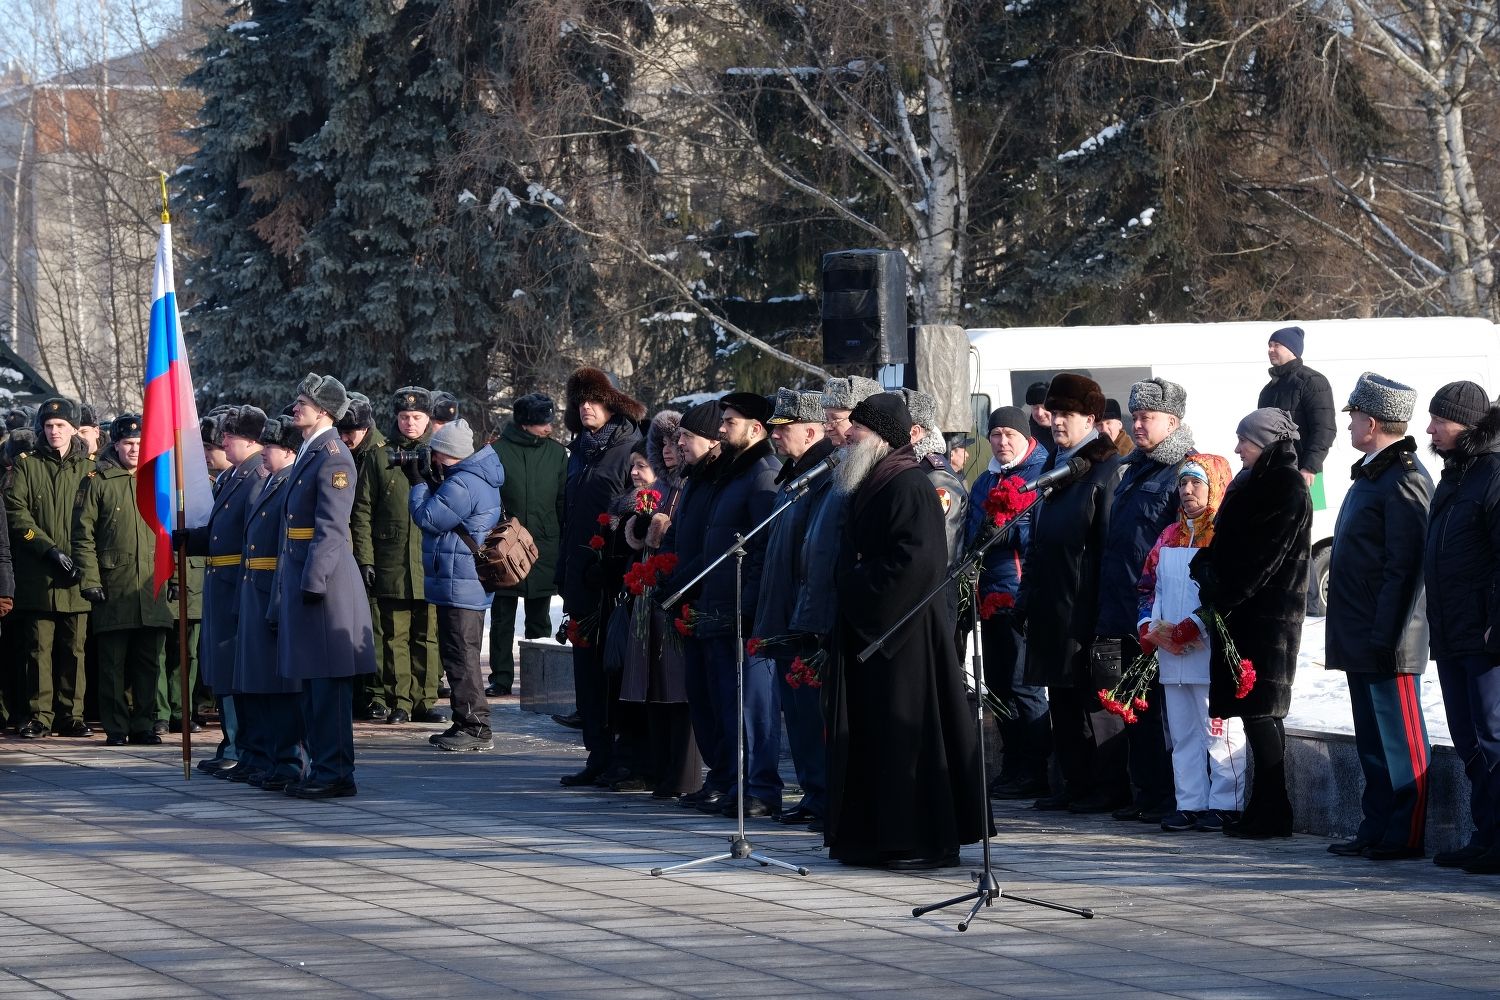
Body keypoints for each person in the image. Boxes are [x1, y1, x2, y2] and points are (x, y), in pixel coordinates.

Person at [827, 392, 989, 869]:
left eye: (858, 428)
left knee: (908, 737)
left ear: (881, 437)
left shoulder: (910, 484)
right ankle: (873, 836)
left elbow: (917, 562)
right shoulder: (872, 479)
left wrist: (856, 580)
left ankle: (919, 838)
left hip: (903, 634)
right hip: (873, 631)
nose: (850, 434)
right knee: (875, 737)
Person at [1190, 407, 1312, 839]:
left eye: (1245, 440)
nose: (1238, 448)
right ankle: (1266, 808)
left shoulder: (1284, 485)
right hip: (1246, 616)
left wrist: (1218, 589)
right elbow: (1231, 546)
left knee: (1262, 713)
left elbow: (1262, 558)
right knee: (1257, 715)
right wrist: (1207, 563)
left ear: (1265, 443)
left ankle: (1274, 811)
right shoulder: (1253, 483)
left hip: (1266, 619)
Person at [1324, 373, 1432, 861]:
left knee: (1398, 739)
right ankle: (1376, 824)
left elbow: (1406, 569)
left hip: (1388, 636)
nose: (1348, 425)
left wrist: (1389, 635)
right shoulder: (1373, 472)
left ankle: (1404, 832)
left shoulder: (1404, 477)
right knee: (1371, 737)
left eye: (1353, 418)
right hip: (1361, 632)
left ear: (1371, 421)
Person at [1016, 374, 1125, 812]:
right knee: (1062, 697)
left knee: (1094, 701)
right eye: (1054, 413)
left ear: (1092, 420)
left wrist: (1103, 614)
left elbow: (1107, 547)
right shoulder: (1058, 467)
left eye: (1067, 414)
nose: (1056, 421)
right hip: (1053, 603)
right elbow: (1041, 540)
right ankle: (1075, 781)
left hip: (1085, 605)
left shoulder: (1105, 469)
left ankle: (1107, 785)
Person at [271, 373, 377, 798]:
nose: (296, 408)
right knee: (314, 681)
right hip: (305, 572)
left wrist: (313, 581)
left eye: (303, 403)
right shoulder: (312, 451)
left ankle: (334, 773)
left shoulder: (333, 455)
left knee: (328, 684)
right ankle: (324, 768)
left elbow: (331, 527)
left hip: (325, 582)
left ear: (324, 411)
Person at [1096, 378, 1196, 823]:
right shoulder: (1134, 467)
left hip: (1156, 609)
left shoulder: (1185, 472)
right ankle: (1142, 791)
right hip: (1118, 604)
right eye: (1135, 416)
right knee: (1127, 701)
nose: (1138, 424)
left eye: (1147, 417)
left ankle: (1166, 794)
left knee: (1157, 705)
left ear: (1172, 422)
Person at [1135, 454, 1246, 832]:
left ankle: (1226, 802)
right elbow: (1148, 587)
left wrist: (1197, 625)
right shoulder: (1168, 535)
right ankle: (1190, 802)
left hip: (1210, 652)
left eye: (1196, 482)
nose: (1186, 490)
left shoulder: (1226, 534)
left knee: (1219, 730)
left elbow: (1230, 594)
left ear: (1215, 484)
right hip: (1171, 655)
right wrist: (1147, 624)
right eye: (1183, 483)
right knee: (1182, 733)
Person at [1422, 381, 1500, 872]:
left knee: (1492, 734)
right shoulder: (1456, 474)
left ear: (1467, 425)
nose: (1430, 429)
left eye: (1440, 420)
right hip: (1451, 630)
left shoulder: (1492, 473)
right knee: (1466, 736)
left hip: (1485, 634)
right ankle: (1484, 833)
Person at [556, 367, 645, 786]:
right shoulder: (579, 451)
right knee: (587, 671)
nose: (586, 407)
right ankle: (598, 752)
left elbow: (637, 512)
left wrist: (612, 560)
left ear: (611, 402)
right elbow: (569, 515)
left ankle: (626, 756)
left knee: (616, 668)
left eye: (593, 399)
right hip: (581, 579)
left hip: (614, 580)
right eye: (580, 401)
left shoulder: (629, 447)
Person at [695, 391, 782, 818]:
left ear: (755, 429)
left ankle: (761, 789)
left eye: (730, 422)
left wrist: (749, 603)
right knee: (729, 703)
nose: (722, 427)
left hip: (744, 608)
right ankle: (737, 783)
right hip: (719, 603)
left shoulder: (763, 473)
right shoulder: (733, 471)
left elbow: (762, 548)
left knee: (754, 704)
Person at [752, 388, 835, 831]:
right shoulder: (795, 473)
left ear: (812, 430)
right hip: (785, 610)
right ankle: (812, 790)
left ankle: (825, 794)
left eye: (784, 429)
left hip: (806, 614)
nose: (776, 436)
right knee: (797, 715)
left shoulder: (824, 473)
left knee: (811, 711)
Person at [70, 414, 171, 747]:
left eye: (140, 443)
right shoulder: (97, 480)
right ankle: (116, 727)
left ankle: (144, 724)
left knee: (148, 662)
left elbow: (171, 531)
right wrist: (90, 579)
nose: (134, 448)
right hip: (113, 585)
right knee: (112, 665)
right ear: (115, 443)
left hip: (151, 585)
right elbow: (82, 536)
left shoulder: (159, 478)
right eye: (128, 442)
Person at [966, 405, 1049, 799]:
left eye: (1008, 435)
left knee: (1024, 686)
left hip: (1020, 595)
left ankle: (1035, 769)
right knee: (998, 686)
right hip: (988, 597)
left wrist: (1003, 531)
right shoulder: (984, 480)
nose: (1001, 442)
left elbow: (1037, 535)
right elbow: (971, 533)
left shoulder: (1039, 473)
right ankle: (1013, 766)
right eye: (995, 435)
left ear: (1025, 437)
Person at [409, 417, 505, 752]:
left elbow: (429, 519)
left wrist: (419, 484)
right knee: (459, 653)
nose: (432, 459)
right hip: (460, 580)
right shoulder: (469, 477)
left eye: (436, 454)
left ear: (448, 454)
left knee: (462, 655)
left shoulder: (464, 483)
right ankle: (464, 720)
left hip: (461, 582)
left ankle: (477, 727)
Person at [180, 405, 266, 776]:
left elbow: (250, 538)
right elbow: (221, 533)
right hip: (221, 579)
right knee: (221, 666)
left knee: (234, 666)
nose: (222, 444)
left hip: (237, 582)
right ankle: (232, 740)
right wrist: (187, 540)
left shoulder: (255, 477)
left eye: (227, 438)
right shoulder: (233, 477)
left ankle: (241, 743)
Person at [352, 387, 443, 725]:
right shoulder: (380, 456)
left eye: (416, 417)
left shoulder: (439, 454)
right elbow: (361, 511)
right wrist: (366, 559)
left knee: (428, 635)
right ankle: (400, 701)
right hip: (391, 561)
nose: (409, 423)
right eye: (404, 417)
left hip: (431, 559)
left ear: (428, 419)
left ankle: (425, 700)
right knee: (394, 635)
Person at [6, 396, 95, 739]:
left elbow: (95, 518)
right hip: (40, 572)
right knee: (38, 649)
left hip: (77, 573)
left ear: (74, 428)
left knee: (75, 648)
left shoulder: (89, 467)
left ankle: (71, 715)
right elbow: (17, 512)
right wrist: (49, 550)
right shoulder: (27, 465)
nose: (54, 431)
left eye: (60, 425)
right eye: (48, 426)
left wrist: (79, 559)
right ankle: (38, 716)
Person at [231, 416, 305, 791]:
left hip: (272, 589)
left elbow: (285, 548)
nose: (263, 453)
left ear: (288, 451)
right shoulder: (270, 481)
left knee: (279, 684)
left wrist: (278, 598)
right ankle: (267, 756)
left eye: (270, 448)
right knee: (258, 681)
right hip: (254, 588)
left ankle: (287, 759)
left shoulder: (291, 484)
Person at [664, 400, 728, 808]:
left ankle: (728, 778)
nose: (681, 444)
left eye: (687, 437)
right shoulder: (695, 478)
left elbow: (716, 542)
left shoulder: (720, 478)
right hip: (691, 599)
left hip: (713, 600)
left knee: (720, 699)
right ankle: (717, 776)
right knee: (701, 696)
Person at [489, 392, 566, 697]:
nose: (548, 427)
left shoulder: (557, 454)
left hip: (544, 545)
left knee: (540, 618)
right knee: (503, 616)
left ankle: (540, 680)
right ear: (524, 424)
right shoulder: (497, 451)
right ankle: (501, 677)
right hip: (504, 547)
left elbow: (562, 501)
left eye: (549, 420)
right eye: (541, 422)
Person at [338, 392, 389, 721]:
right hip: (353, 553)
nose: (345, 438)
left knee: (375, 629)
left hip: (373, 554)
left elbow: (365, 514)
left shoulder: (377, 455)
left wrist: (367, 560)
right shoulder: (347, 453)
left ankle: (375, 694)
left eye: (351, 432)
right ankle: (360, 693)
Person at [1257, 326, 1336, 487]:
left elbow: (1325, 429)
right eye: (1269, 345)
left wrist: (1310, 467)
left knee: (1308, 512)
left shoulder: (1313, 381)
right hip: (1273, 473)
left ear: (1292, 349)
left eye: (1276, 345)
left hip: (1307, 474)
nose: (1270, 350)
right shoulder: (1267, 390)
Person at [820, 375, 882, 448]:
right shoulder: (832, 456)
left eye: (835, 419)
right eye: (827, 420)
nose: (828, 428)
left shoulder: (893, 458)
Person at [1025, 380, 1056, 462]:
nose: (1040, 413)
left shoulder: (1067, 432)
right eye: (1035, 407)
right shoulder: (1026, 435)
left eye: (1044, 407)